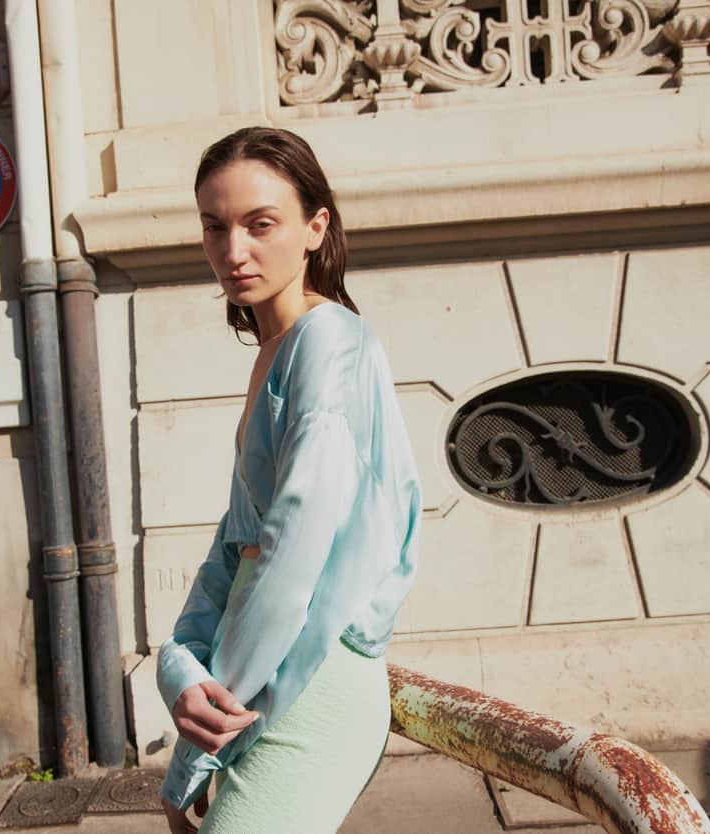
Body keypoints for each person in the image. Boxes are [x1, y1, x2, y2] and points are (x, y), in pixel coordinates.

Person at [156, 126, 422, 833]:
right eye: (215, 227)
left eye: (260, 223)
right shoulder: (277, 350)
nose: (233, 250)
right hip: (261, 679)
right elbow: (235, 546)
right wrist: (179, 662)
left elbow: (288, 559)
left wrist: (193, 758)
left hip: (307, 682)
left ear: (315, 228)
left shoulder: (328, 343)